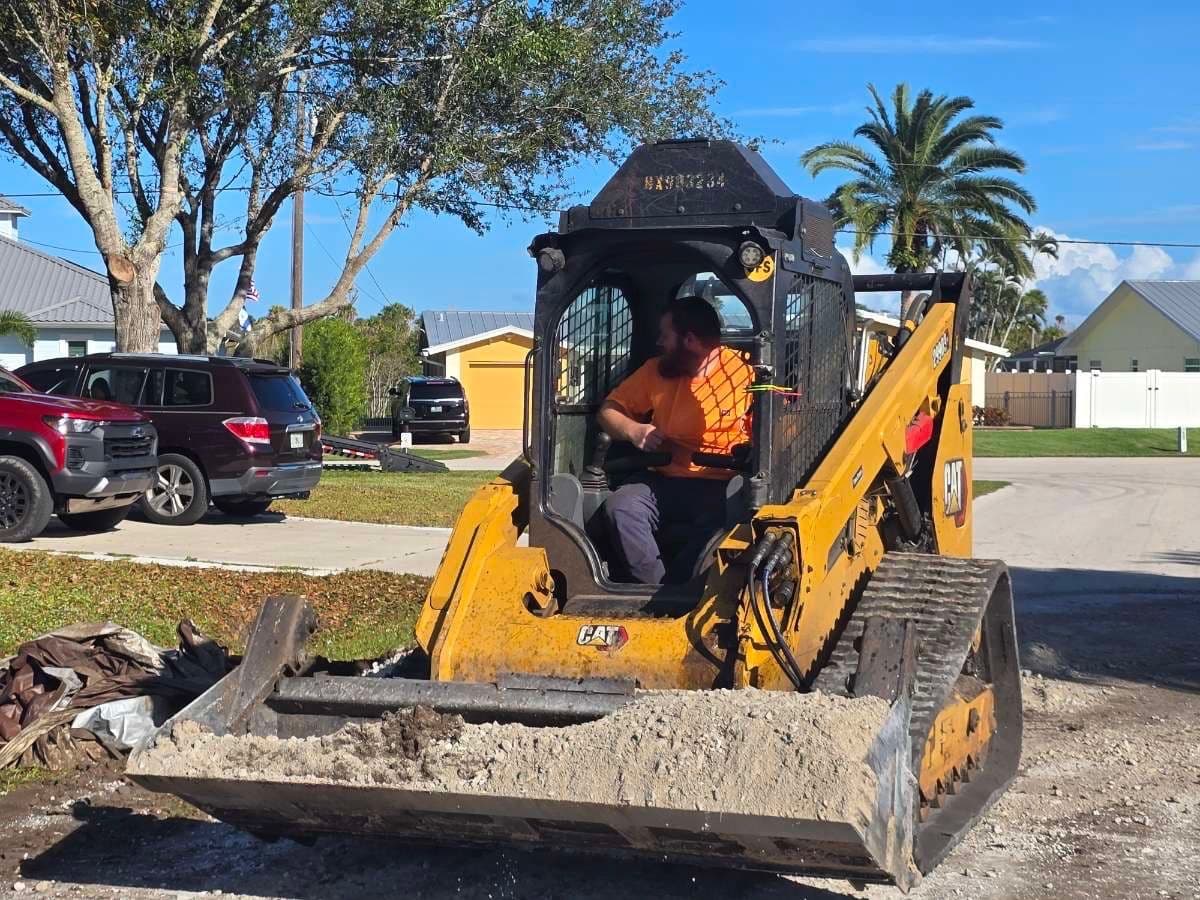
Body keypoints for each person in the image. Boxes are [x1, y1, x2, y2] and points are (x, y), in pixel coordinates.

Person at [598, 295, 753, 584]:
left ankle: (681, 590)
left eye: (665, 336)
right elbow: (609, 410)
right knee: (622, 506)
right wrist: (634, 430)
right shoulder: (655, 370)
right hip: (664, 478)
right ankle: (654, 591)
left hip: (721, 483)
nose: (659, 342)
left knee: (722, 521)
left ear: (690, 340)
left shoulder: (745, 374)